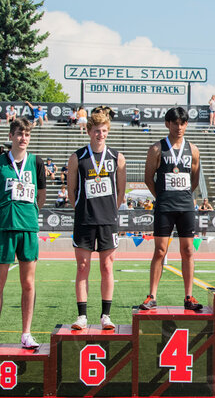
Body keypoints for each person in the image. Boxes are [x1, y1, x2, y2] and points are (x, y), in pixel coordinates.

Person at [0, 117, 47, 350]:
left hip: (28, 228)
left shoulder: (36, 162)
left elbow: (41, 196)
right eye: (19, 133)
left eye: (26, 134)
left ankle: (26, 333)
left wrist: (26, 214)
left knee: (28, 283)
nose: (23, 138)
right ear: (11, 136)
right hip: (4, 227)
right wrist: (5, 213)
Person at [138, 107, 202, 311]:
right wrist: (162, 196)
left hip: (185, 206)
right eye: (175, 123)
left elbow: (194, 179)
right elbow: (148, 179)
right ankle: (152, 295)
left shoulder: (193, 149)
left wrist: (182, 195)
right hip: (164, 205)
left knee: (188, 251)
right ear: (167, 124)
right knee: (160, 250)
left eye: (183, 123)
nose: (179, 127)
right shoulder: (156, 149)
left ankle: (189, 296)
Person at [67, 110, 126, 330]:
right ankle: (82, 315)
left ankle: (105, 315)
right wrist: (80, 208)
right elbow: (71, 189)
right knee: (82, 267)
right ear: (88, 131)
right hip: (84, 219)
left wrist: (111, 209)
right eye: (96, 131)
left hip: (107, 220)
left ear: (107, 132)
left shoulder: (117, 157)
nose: (100, 135)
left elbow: (121, 190)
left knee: (107, 267)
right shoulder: (77, 157)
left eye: (103, 131)